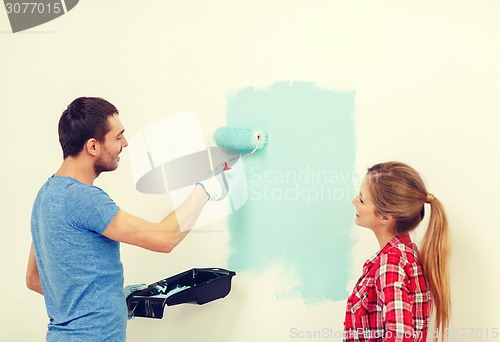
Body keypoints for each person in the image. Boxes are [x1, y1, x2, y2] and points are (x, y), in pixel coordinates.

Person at [26, 97, 228, 341]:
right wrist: (206, 189)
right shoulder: (84, 199)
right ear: (93, 146)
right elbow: (164, 239)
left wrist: (109, 299)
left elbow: (35, 279)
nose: (125, 143)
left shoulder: (45, 195)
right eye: (118, 136)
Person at [344, 161, 450, 342]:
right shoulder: (404, 255)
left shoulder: (391, 262)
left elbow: (400, 337)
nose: (354, 201)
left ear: (385, 217)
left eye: (362, 199)